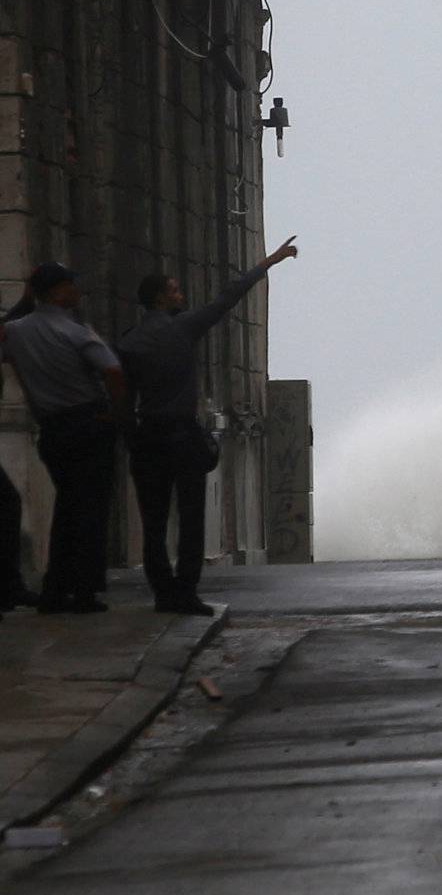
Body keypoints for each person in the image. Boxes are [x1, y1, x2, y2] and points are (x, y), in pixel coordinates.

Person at [117, 238, 298, 615]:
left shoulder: (130, 342)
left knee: (153, 523)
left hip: (148, 437)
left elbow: (122, 398)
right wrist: (270, 261)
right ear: (161, 299)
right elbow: (228, 297)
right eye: (175, 290)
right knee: (190, 519)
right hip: (182, 437)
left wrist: (132, 437)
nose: (181, 294)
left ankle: (163, 594)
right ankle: (185, 593)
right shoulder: (183, 328)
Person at [1, 263, 126, 613]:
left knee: (68, 506)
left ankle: (56, 589)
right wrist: (115, 414)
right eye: (71, 285)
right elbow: (112, 370)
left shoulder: (15, 331)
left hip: (52, 429)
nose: (77, 291)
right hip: (87, 423)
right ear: (57, 291)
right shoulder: (76, 331)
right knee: (90, 510)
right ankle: (84, 591)